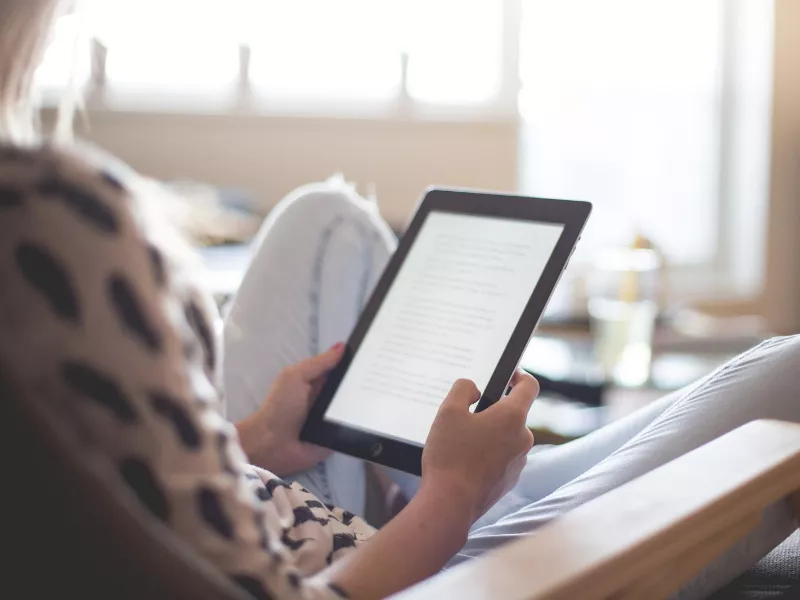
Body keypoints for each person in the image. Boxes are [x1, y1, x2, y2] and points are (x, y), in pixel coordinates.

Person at [1, 2, 798, 599]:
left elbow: (121, 482)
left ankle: (455, 476)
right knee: (789, 377)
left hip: (288, 503)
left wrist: (255, 439)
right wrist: (448, 502)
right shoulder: (47, 220)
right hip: (401, 575)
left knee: (328, 219)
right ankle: (465, 488)